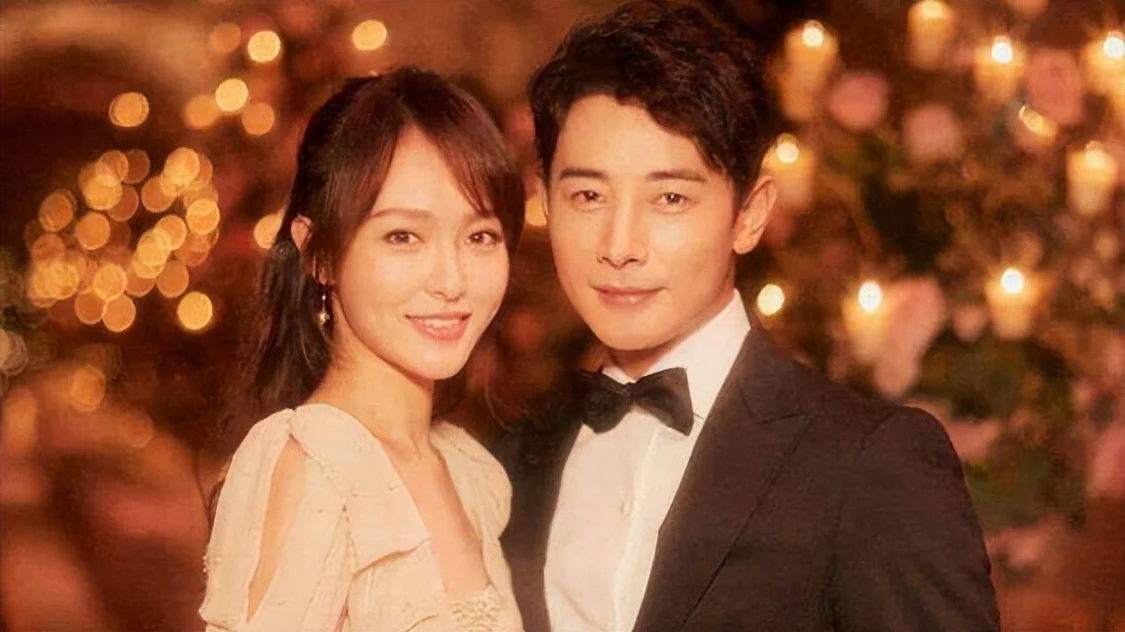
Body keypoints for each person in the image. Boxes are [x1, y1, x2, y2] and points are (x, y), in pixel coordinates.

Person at [500, 2, 1000, 630]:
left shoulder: (869, 462)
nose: (620, 245)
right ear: (546, 202)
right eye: (588, 195)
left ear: (750, 214)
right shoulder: (512, 458)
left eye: (670, 197)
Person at [200, 67, 525, 632]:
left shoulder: (469, 470)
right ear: (319, 253)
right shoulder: (315, 467)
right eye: (403, 236)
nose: (452, 280)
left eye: (480, 237)